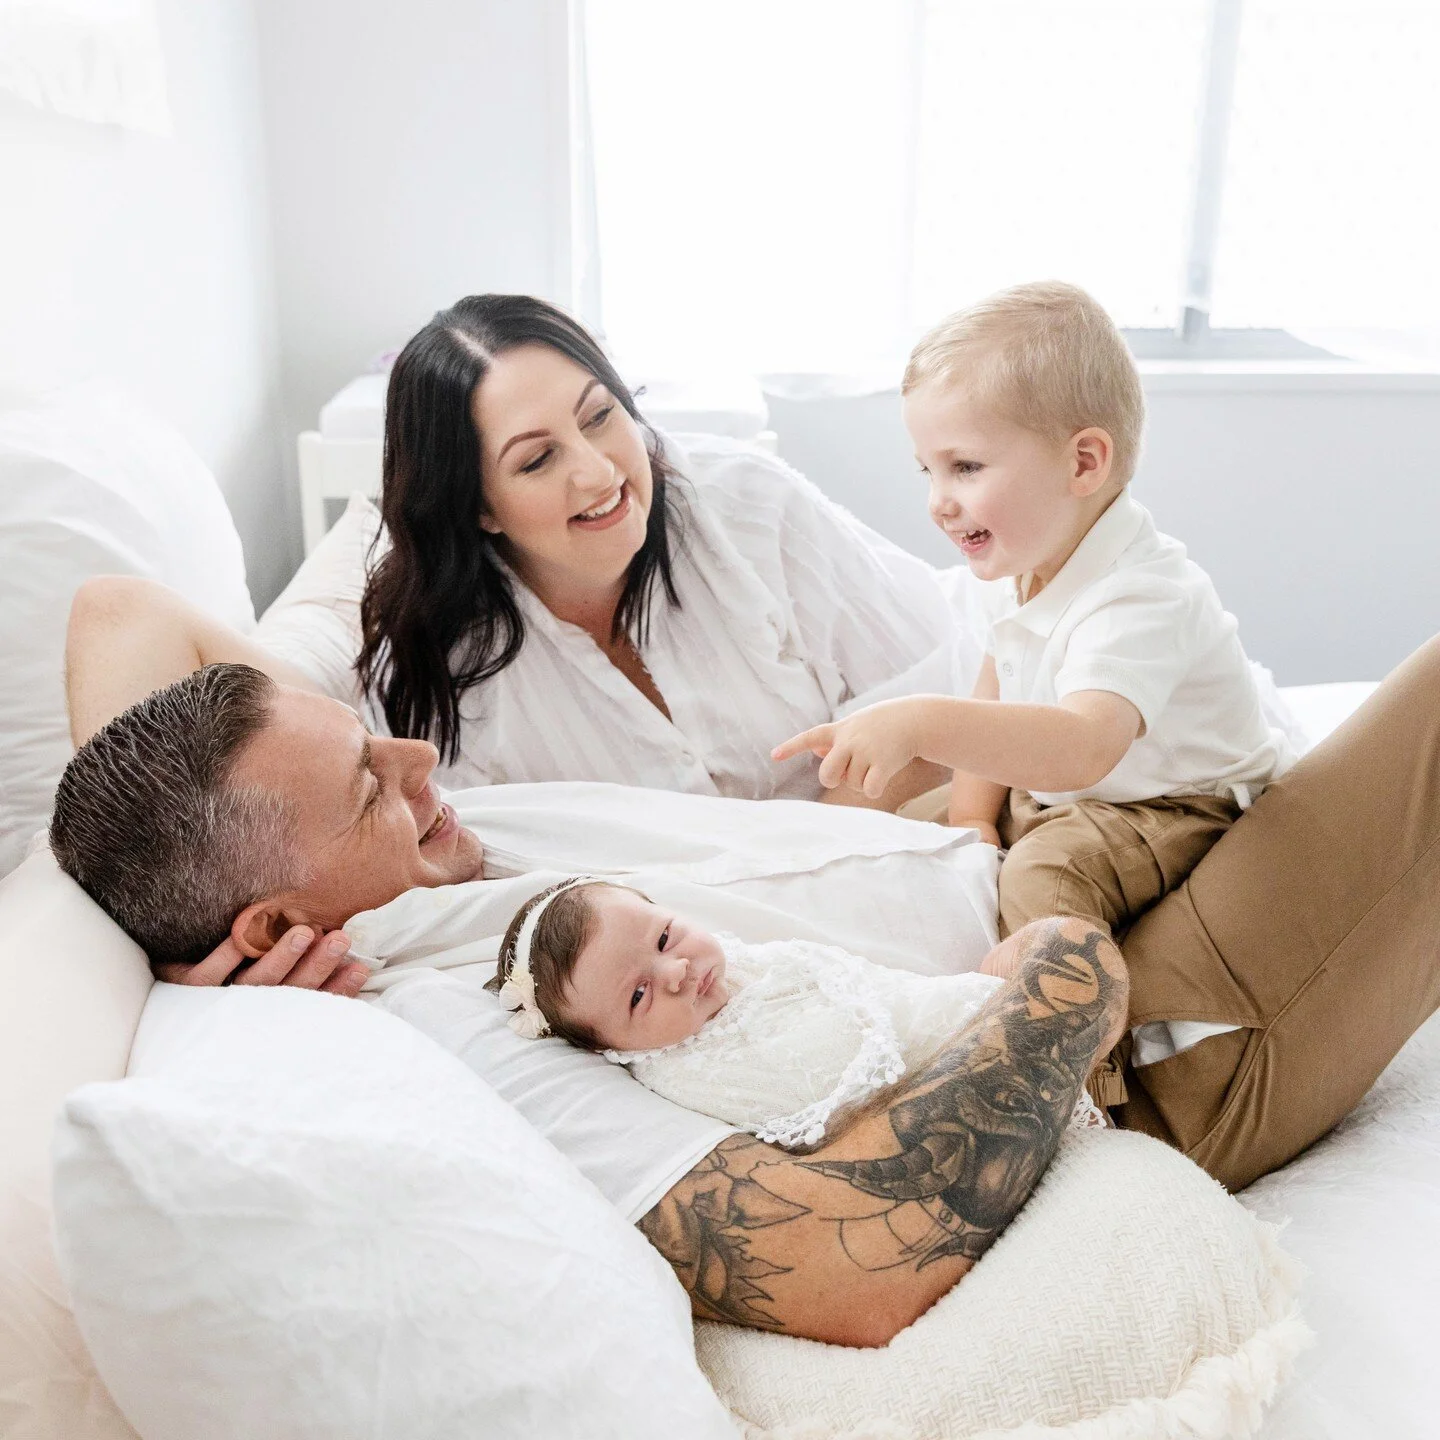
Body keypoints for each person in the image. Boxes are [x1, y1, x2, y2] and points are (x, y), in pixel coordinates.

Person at [52, 575, 1440, 1339]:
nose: (418, 762)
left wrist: (213, 932)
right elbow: (851, 1261)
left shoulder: (379, 872)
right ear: (271, 927)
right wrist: (1069, 977)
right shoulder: (448, 1021)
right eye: (370, 786)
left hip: (1042, 866)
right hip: (1147, 1037)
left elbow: (114, 612)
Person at [258, 294, 978, 810]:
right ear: (479, 506)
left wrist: (810, 858)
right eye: (537, 460)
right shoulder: (440, 682)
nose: (598, 471)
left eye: (600, 416)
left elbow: (943, 695)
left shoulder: (750, 505)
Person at [776, 282, 1294, 952]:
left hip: (1179, 806)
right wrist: (971, 816)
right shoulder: (1025, 567)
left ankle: (1063, 1019)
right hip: (1073, 796)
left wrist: (922, 721)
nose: (938, 501)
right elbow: (999, 691)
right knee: (905, 828)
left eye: (965, 467)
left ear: (1083, 463)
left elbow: (1083, 747)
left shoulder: (1142, 595)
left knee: (1045, 876)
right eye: (928, 471)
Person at [476, 875, 1106, 1147]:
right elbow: (837, 1104)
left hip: (944, 1011)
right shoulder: (695, 1073)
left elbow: (871, 984)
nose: (675, 971)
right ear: (612, 1047)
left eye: (665, 936)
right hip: (948, 1087)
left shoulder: (732, 966)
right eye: (638, 995)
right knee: (1059, 970)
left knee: (1047, 951)